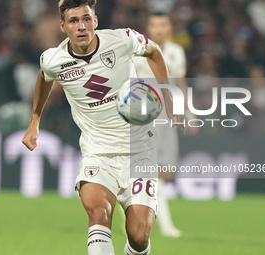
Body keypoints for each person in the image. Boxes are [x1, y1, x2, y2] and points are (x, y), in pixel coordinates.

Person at [22, 1, 187, 254]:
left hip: (139, 151)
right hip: (98, 154)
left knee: (139, 235)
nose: (81, 26)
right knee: (99, 214)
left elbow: (153, 51)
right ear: (63, 26)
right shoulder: (53, 59)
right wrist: (35, 119)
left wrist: (167, 95)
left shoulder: (122, 40)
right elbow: (44, 77)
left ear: (95, 21)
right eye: (74, 21)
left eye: (86, 19)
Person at [133, 12, 190, 238]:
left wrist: (184, 112)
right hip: (143, 117)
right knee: (153, 173)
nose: (158, 29)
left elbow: (181, 82)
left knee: (164, 174)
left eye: (162, 24)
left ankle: (137, 211)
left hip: (167, 118)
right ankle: (164, 225)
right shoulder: (138, 49)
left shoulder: (177, 52)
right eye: (154, 25)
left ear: (169, 27)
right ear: (148, 27)